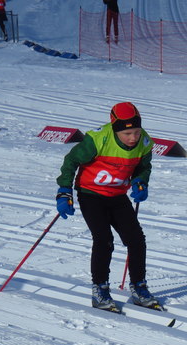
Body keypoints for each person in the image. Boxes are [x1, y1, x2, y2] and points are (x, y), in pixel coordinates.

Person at [55, 102, 158, 312]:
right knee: (104, 240)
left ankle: (139, 286)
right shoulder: (97, 139)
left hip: (117, 195)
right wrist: (64, 190)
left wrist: (141, 181)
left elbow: (143, 166)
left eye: (137, 131)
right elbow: (71, 161)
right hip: (91, 194)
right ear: (115, 129)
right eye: (127, 133)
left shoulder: (145, 142)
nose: (133, 138)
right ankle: (100, 289)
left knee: (136, 239)